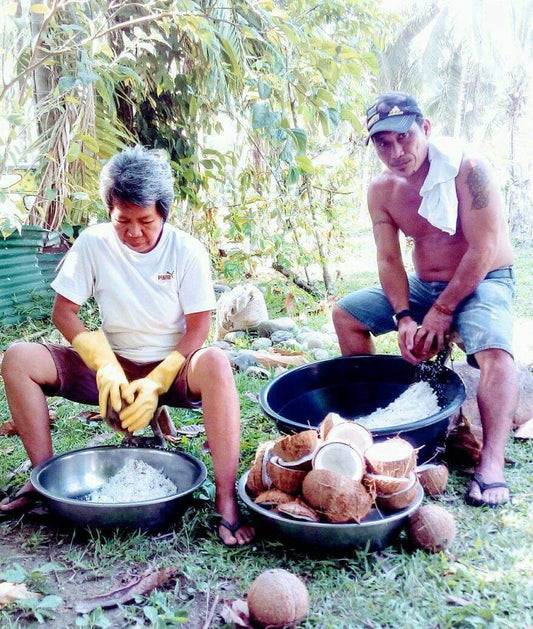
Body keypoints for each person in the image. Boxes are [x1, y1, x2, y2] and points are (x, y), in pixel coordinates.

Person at [0, 146, 254, 545]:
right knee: (17, 359)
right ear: (109, 212)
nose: (134, 232)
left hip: (175, 367)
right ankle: (43, 478)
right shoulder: (93, 243)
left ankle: (226, 499)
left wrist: (157, 380)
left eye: (145, 221)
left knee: (218, 364)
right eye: (123, 221)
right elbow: (63, 313)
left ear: (164, 213)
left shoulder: (185, 250)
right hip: (113, 365)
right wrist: (104, 365)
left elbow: (198, 327)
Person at [332, 92, 517, 507]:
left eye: (405, 137)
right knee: (347, 316)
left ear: (426, 129)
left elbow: (483, 249)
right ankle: (385, 426)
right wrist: (403, 317)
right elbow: (388, 257)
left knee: (496, 351)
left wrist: (441, 312)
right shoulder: (381, 189)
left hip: (485, 278)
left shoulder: (469, 169)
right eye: (383, 143)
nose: (396, 152)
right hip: (424, 284)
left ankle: (491, 463)